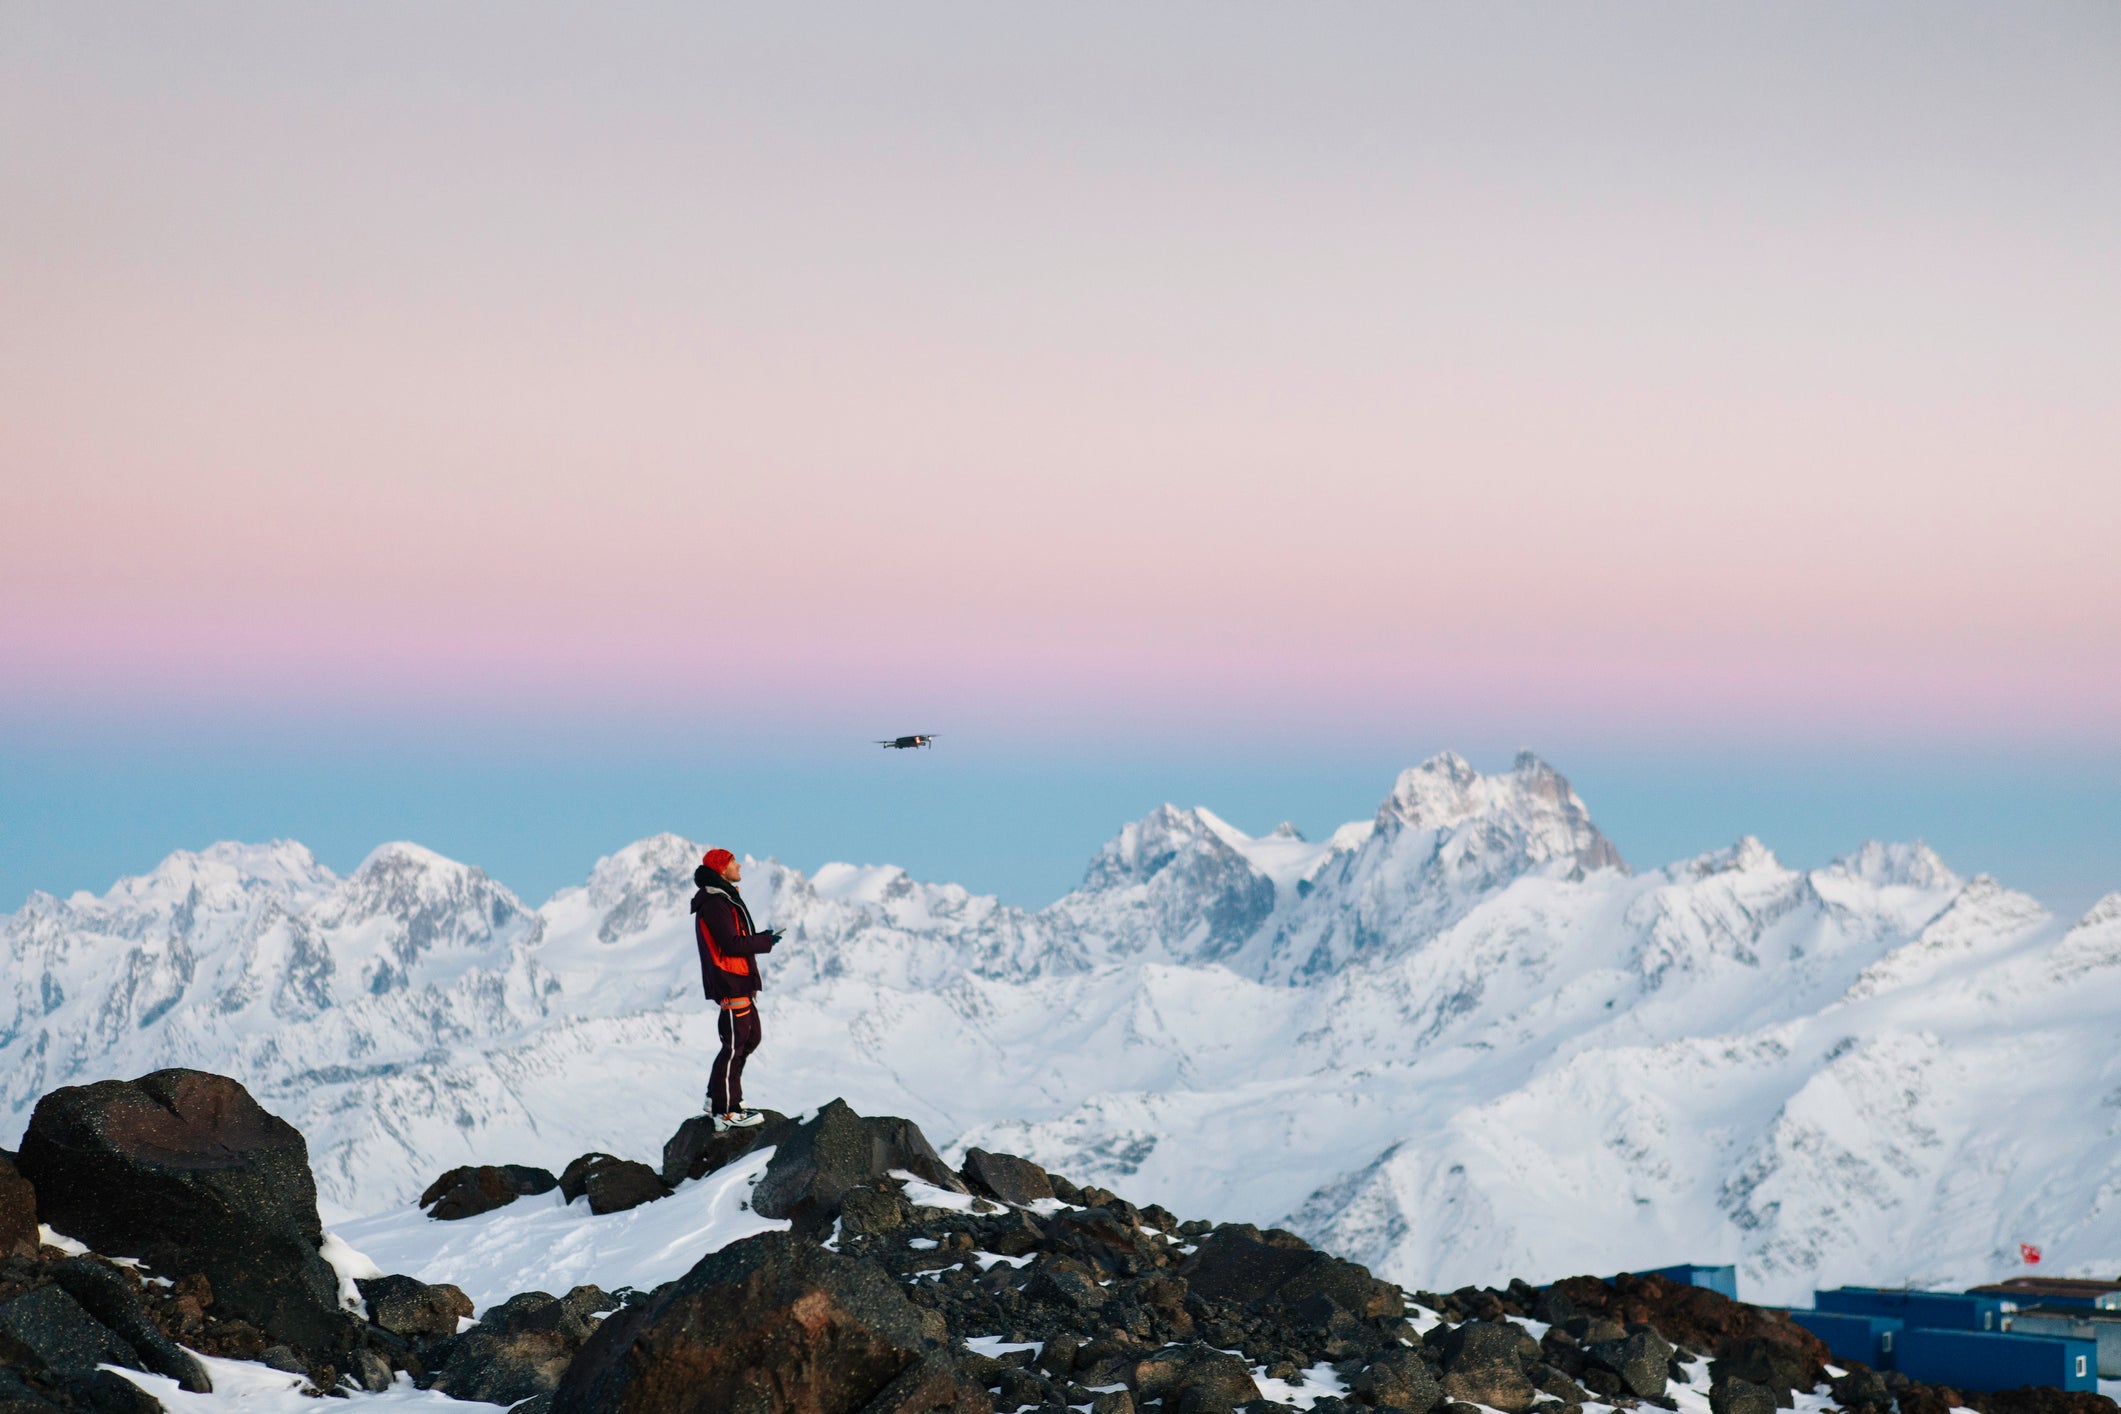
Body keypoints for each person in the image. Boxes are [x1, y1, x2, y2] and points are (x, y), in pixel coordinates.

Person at [692, 847, 781, 1131]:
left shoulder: (724, 898)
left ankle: (716, 1096)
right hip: (730, 980)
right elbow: (730, 944)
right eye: (733, 862)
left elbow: (736, 940)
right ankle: (726, 1111)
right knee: (734, 1046)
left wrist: (762, 939)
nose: (739, 865)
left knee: (750, 1038)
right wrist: (763, 942)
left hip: (740, 979)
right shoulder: (715, 903)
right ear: (722, 869)